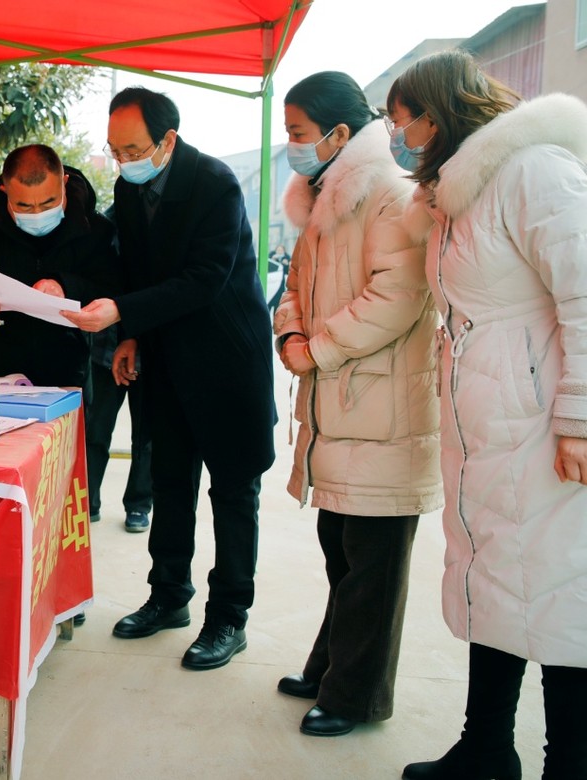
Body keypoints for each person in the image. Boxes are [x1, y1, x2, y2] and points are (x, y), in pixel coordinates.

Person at [386, 51, 587, 780]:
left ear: (437, 115)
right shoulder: (458, 194)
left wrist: (579, 418)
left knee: (567, 598)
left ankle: (569, 762)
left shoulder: (536, 171)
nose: (397, 137)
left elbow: (585, 291)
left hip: (547, 425)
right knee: (497, 579)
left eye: (400, 122)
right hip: (490, 423)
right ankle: (484, 748)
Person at [64, 86, 276, 671]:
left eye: (133, 148)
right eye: (115, 149)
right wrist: (130, 335)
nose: (123, 160)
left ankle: (229, 618)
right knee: (170, 485)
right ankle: (168, 597)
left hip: (227, 360)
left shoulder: (214, 183)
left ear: (168, 140)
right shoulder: (129, 193)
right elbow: (135, 270)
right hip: (166, 361)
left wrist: (123, 314)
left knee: (233, 493)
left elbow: (206, 278)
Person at [272, 71, 441, 738]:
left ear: (340, 135)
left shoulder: (390, 199)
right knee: (341, 550)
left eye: (298, 134)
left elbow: (397, 297)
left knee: (373, 565)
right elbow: (295, 284)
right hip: (341, 409)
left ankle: (357, 695)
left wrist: (317, 350)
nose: (293, 146)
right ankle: (330, 669)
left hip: (381, 413)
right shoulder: (325, 203)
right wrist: (289, 330)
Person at [0, 144, 118, 389]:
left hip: (68, 369)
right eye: (24, 206)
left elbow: (112, 288)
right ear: (4, 190)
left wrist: (65, 286)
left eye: (49, 203)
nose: (38, 213)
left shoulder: (94, 228)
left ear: (64, 182)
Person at [85, 323, 153, 533]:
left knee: (147, 437)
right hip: (104, 348)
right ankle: (88, 502)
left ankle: (139, 505)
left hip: (149, 354)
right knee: (94, 430)